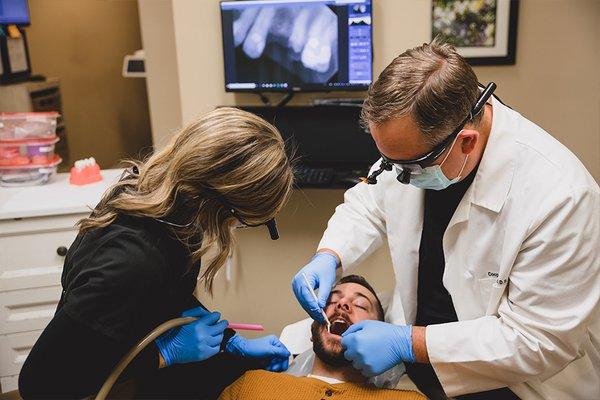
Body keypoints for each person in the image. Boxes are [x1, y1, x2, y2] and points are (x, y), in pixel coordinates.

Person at [292, 39, 600, 399]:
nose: (396, 174)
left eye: (407, 166)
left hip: (518, 385)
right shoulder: (422, 147)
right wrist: (329, 254)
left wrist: (408, 342)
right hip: (424, 376)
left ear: (465, 142)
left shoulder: (561, 197)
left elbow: (537, 342)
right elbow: (370, 202)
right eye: (390, 162)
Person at [19, 107, 295, 399]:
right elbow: (40, 384)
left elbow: (164, 292)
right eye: (244, 219)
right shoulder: (132, 262)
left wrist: (230, 341)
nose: (236, 227)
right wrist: (164, 354)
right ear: (221, 205)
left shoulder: (169, 202)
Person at [219, 275, 425, 400]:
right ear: (312, 332)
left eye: (361, 305)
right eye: (332, 299)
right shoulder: (252, 385)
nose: (342, 303)